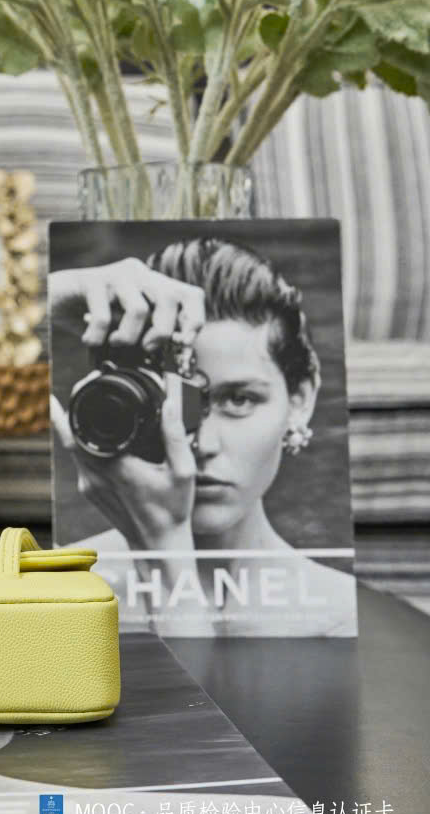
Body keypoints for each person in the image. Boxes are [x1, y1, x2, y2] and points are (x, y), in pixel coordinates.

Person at [49, 239, 356, 636]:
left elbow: (190, 684)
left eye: (239, 400)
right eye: (175, 402)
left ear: (300, 400)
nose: (204, 445)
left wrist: (164, 560)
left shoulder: (339, 614)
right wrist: (57, 293)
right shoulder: (57, 595)